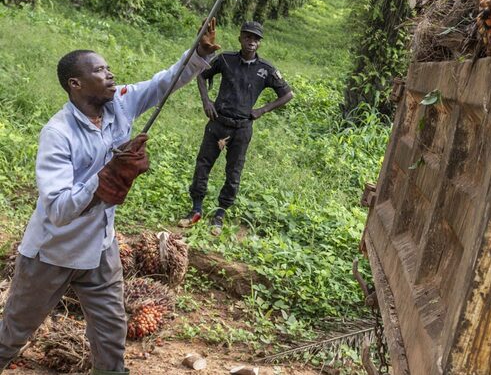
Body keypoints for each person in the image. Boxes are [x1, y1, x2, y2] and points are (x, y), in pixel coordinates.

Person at [0, 21, 220, 374]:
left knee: (110, 331)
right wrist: (105, 178)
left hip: (101, 248)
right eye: (100, 70)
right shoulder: (58, 133)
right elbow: (57, 209)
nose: (110, 73)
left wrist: (198, 55)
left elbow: (163, 84)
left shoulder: (119, 104)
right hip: (52, 253)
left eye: (107, 67)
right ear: (76, 84)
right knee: (14, 333)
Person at [179, 21, 293, 235]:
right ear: (240, 38)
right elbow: (202, 75)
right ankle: (196, 209)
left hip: (241, 129)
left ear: (259, 43)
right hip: (218, 123)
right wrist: (206, 102)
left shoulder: (265, 70)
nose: (251, 42)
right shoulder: (225, 59)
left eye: (256, 39)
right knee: (203, 164)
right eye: (248, 37)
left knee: (233, 172)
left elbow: (287, 94)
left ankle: (219, 214)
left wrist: (262, 110)